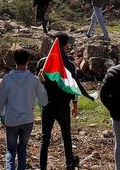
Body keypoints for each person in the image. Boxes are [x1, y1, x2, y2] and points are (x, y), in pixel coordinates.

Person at [0, 48, 48, 170]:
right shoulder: (34, 80)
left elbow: (0, 104)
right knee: (22, 149)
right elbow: (44, 102)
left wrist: (1, 113)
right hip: (27, 120)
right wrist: (42, 84)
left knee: (11, 150)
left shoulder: (7, 79)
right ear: (28, 61)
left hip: (11, 120)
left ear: (14, 60)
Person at [37, 34, 80, 170]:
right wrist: (74, 103)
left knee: (45, 138)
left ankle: (42, 166)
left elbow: (38, 83)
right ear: (65, 46)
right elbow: (73, 85)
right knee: (66, 135)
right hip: (63, 105)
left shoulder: (43, 62)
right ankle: (69, 163)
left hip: (47, 104)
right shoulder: (69, 64)